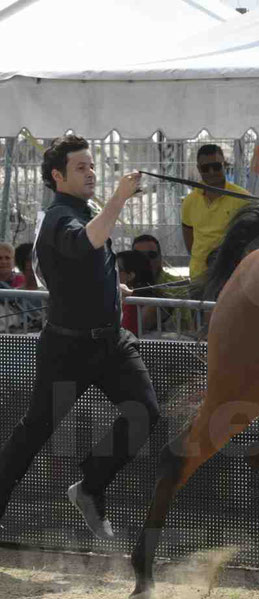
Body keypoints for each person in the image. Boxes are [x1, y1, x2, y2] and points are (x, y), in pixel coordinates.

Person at [0, 135, 161, 539]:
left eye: (92, 166)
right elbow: (84, 241)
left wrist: (112, 288)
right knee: (35, 432)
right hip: (67, 348)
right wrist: (119, 198)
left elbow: (86, 263)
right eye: (81, 167)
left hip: (110, 342)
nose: (91, 172)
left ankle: (89, 486)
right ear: (57, 176)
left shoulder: (84, 211)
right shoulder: (58, 217)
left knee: (144, 412)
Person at [181, 144, 250, 281]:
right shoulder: (189, 201)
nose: (211, 172)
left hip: (232, 277)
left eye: (216, 166)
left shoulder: (243, 199)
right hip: (198, 276)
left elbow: (251, 239)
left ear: (224, 165)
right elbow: (190, 243)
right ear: (199, 169)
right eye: (205, 168)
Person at [116, 249, 158, 336]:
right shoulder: (113, 298)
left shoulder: (141, 306)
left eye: (117, 269)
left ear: (130, 276)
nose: (111, 272)